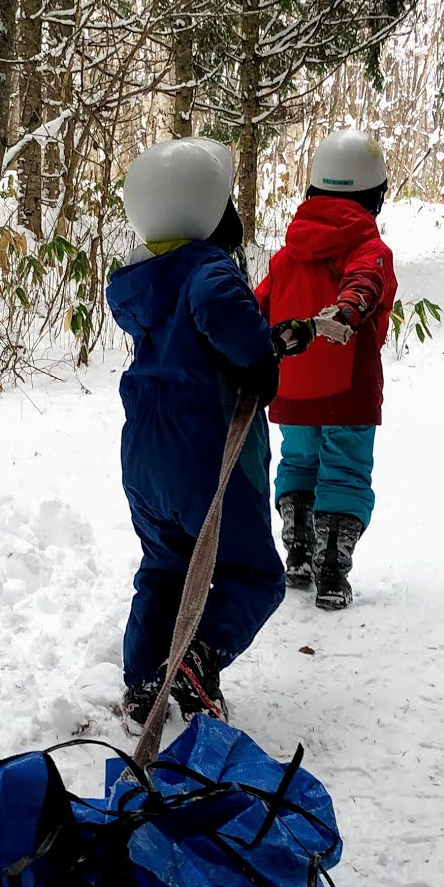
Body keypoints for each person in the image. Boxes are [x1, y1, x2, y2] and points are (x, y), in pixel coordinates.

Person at [109, 138, 325, 728]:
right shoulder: (208, 268)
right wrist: (258, 360)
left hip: (144, 453)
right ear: (209, 209)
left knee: (165, 566)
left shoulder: (141, 279)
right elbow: (218, 309)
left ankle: (143, 683)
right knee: (254, 574)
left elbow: (189, 333)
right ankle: (196, 661)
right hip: (204, 449)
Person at [256, 128, 399, 610]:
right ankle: (332, 570)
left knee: (298, 460)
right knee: (345, 466)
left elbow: (259, 303)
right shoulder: (369, 248)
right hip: (347, 385)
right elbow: (366, 281)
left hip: (293, 386)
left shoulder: (287, 255)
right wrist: (347, 310)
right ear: (375, 195)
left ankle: (298, 551)